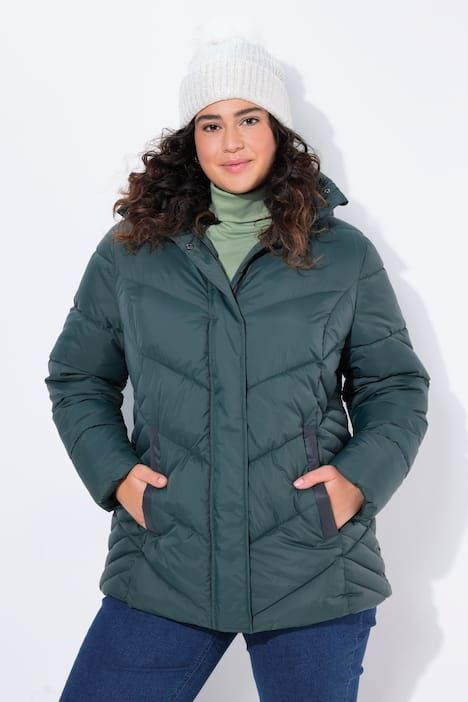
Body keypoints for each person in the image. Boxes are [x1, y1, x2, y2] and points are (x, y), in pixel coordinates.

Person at [44, 34, 430, 702]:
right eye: (210, 123)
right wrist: (117, 476)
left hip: (311, 563)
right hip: (166, 559)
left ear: (277, 129)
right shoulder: (131, 252)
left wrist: (356, 481)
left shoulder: (343, 255)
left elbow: (393, 385)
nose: (231, 142)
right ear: (189, 140)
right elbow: (78, 377)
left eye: (248, 118)